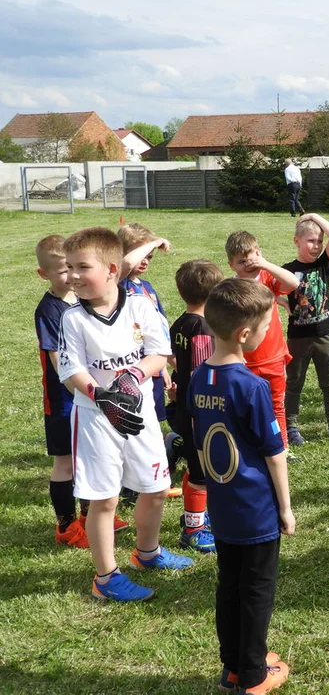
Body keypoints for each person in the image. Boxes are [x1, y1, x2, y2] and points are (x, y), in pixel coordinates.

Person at [59, 227, 194, 603]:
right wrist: (102, 396)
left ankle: (146, 553)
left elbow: (158, 352)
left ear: (112, 269)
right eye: (69, 267)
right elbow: (71, 370)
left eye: (82, 267)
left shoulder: (139, 305)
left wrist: (133, 377)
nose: (72, 275)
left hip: (140, 415)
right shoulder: (73, 318)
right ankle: (105, 576)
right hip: (96, 421)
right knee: (104, 499)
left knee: (154, 488)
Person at [188, 278, 294, 695]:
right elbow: (274, 453)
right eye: (267, 325)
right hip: (255, 511)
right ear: (244, 334)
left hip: (223, 507)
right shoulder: (251, 386)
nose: (269, 331)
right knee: (256, 590)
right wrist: (285, 508)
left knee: (229, 584)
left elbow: (199, 441)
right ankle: (253, 676)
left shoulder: (199, 377)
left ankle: (234, 664)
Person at [35, 234, 91, 547]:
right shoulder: (48, 311)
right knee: (66, 462)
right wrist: (81, 388)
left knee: (86, 458)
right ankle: (66, 526)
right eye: (61, 270)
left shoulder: (83, 299)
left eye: (71, 267)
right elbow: (59, 361)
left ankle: (88, 517)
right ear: (44, 274)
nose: (69, 276)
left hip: (87, 397)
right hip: (63, 402)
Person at [225, 231, 299, 453]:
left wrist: (265, 264)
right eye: (241, 261)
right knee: (242, 407)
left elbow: (293, 283)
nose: (249, 264)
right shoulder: (231, 288)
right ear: (231, 264)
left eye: (252, 257)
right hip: (243, 360)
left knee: (276, 404)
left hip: (273, 357)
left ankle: (281, 447)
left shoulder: (267, 279)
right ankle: (243, 447)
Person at [167, 259, 223, 553]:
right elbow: (203, 371)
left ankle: (198, 516)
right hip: (199, 414)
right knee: (201, 473)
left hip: (185, 408)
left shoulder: (180, 323)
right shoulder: (202, 328)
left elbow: (177, 360)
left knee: (196, 469)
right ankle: (194, 529)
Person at [281, 214, 329, 446]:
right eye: (311, 241)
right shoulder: (288, 269)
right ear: (296, 241)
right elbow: (268, 288)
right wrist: (279, 301)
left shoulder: (324, 265)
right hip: (298, 337)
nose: (317, 246)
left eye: (319, 241)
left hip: (324, 335)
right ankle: (290, 427)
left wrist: (311, 216)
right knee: (294, 383)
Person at [118, 223, 172, 427]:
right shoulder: (116, 283)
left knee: (152, 420)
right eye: (142, 254)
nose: (145, 261)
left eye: (150, 257)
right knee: (131, 418)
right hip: (129, 367)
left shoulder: (147, 288)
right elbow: (126, 263)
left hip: (153, 365)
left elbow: (160, 328)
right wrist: (155, 242)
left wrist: (164, 367)